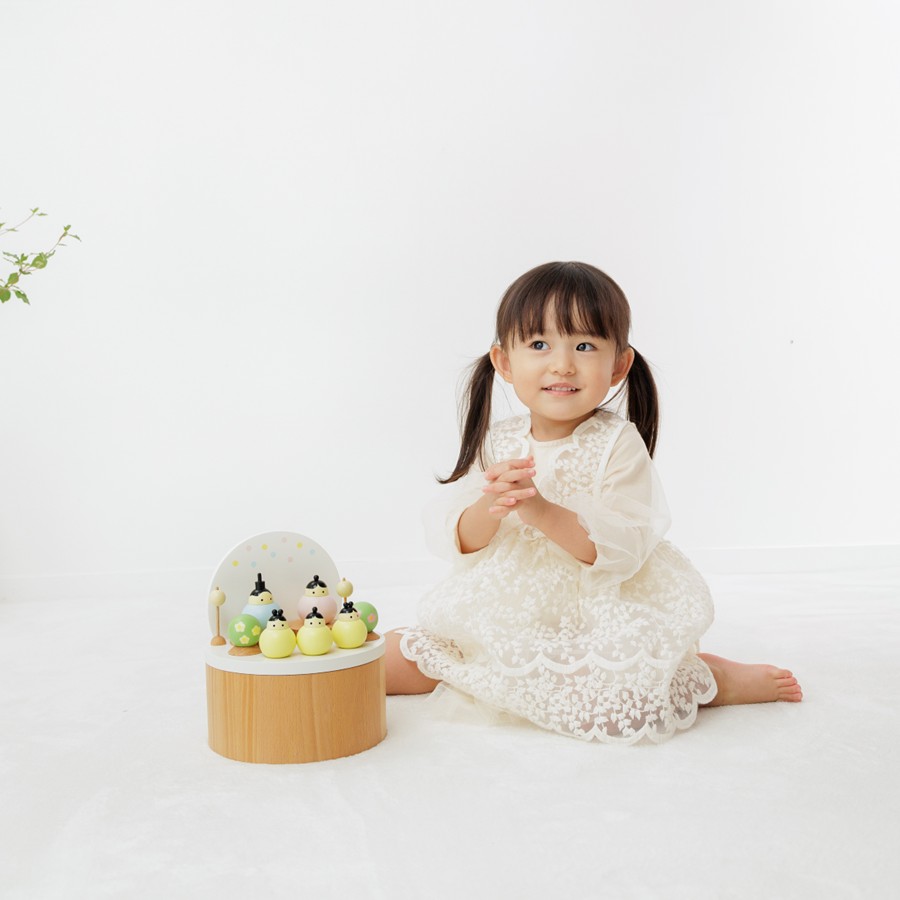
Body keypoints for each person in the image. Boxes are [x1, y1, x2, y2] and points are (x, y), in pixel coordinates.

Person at [386, 261, 802, 743]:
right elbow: (461, 540)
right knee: (394, 660)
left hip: (591, 610)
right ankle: (492, 667)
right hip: (504, 609)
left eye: (584, 346)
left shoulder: (616, 443)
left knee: (612, 706)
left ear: (619, 365)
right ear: (504, 362)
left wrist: (540, 511)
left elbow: (620, 549)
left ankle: (707, 678)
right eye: (539, 345)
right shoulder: (498, 441)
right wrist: (491, 506)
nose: (562, 364)